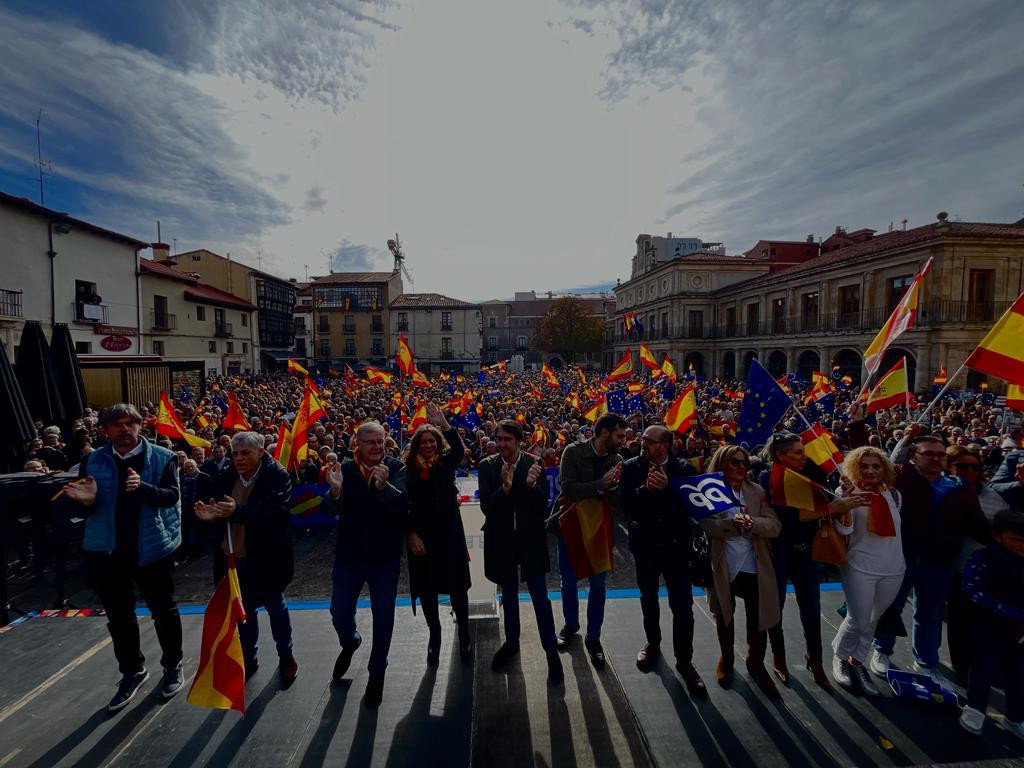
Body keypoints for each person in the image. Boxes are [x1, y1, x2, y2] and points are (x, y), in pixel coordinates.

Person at [61, 403, 184, 712]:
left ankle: (172, 665)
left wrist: (143, 488)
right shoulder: (92, 460)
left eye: (131, 423)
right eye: (117, 424)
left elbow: (171, 496)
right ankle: (132, 671)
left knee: (164, 611)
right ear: (105, 429)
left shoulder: (163, 457)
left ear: (141, 425)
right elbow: (84, 505)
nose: (125, 429)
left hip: (151, 547)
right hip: (107, 550)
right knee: (119, 617)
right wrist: (86, 502)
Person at [870, 432, 988, 688]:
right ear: (913, 456)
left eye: (941, 455)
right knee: (891, 606)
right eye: (928, 453)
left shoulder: (960, 486)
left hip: (940, 561)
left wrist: (1002, 539)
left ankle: (925, 662)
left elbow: (976, 523)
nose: (936, 459)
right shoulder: (900, 476)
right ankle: (882, 649)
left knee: (930, 614)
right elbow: (874, 460)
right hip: (902, 557)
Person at [760, 431, 860, 691]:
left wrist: (842, 493)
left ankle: (815, 659)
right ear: (779, 455)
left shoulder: (813, 472)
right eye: (797, 452)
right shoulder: (767, 477)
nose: (803, 456)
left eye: (803, 450)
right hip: (779, 550)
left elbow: (829, 498)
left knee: (811, 608)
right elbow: (786, 516)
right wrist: (829, 509)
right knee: (776, 607)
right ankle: (778, 657)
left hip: (807, 550)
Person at [196, 432, 297, 686]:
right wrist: (212, 518)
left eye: (245, 453)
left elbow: (277, 514)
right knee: (244, 612)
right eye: (235, 453)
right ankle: (249, 658)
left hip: (267, 558)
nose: (239, 458)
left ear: (260, 452)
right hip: (233, 557)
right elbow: (220, 511)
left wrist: (238, 512)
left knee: (276, 607)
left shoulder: (277, 476)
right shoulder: (225, 476)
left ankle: (286, 654)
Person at [324, 421, 408, 708]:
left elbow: (403, 504)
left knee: (383, 616)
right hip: (349, 556)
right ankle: (350, 642)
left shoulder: (396, 468)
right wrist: (335, 493)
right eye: (370, 442)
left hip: (384, 558)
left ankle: (377, 673)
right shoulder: (344, 471)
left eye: (380, 441)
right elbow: (330, 509)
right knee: (339, 612)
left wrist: (384, 487)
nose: (376, 447)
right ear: (356, 445)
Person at [620, 424, 706, 698]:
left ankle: (685, 661)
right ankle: (652, 643)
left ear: (665, 446)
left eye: (650, 441)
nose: (643, 443)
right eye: (643, 439)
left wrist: (668, 489)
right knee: (648, 598)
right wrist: (646, 490)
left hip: (676, 549)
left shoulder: (685, 469)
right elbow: (622, 505)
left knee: (683, 607)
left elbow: (694, 507)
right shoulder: (631, 467)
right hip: (644, 547)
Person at [479, 419, 562, 684]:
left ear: (519, 441)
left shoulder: (534, 465)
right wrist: (505, 488)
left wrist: (527, 484)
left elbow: (542, 506)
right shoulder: (487, 466)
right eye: (499, 438)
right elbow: (487, 509)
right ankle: (511, 642)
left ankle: (551, 652)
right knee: (509, 596)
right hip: (502, 542)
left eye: (507, 439)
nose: (502, 444)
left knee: (541, 598)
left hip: (530, 542)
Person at [701, 444, 782, 697]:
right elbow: (706, 525)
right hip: (723, 562)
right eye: (735, 462)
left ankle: (755, 663)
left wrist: (752, 522)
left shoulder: (756, 491)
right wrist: (731, 524)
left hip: (754, 562)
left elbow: (774, 525)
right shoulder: (709, 489)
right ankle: (727, 658)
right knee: (724, 614)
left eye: (744, 463)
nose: (740, 467)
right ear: (722, 462)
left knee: (758, 617)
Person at [553, 412, 627, 669]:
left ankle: (593, 637)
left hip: (598, 529)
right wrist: (600, 484)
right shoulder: (572, 453)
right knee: (568, 580)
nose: (623, 441)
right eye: (620, 436)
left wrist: (615, 487)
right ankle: (571, 623)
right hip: (571, 525)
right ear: (604, 433)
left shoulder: (617, 458)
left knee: (598, 585)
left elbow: (617, 502)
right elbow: (568, 488)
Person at [403, 402, 472, 665]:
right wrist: (410, 533)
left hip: (449, 533)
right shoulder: (407, 470)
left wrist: (445, 424)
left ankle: (464, 631)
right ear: (416, 446)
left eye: (433, 441)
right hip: (422, 537)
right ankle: (435, 634)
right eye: (424, 442)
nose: (429, 446)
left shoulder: (446, 464)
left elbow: (458, 452)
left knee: (457, 586)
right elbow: (403, 506)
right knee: (426, 588)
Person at [830, 447, 902, 696]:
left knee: (873, 620)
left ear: (885, 469)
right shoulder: (845, 491)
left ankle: (857, 662)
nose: (870, 470)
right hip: (859, 566)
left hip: (893, 568)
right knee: (858, 619)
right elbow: (844, 532)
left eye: (876, 466)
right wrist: (846, 505)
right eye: (864, 466)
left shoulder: (893, 494)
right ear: (853, 468)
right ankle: (839, 657)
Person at [959, 508, 1024, 739]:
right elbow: (971, 590)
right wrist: (1007, 610)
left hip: (1019, 633)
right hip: (990, 626)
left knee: (1018, 674)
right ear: (998, 536)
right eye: (1016, 540)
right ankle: (976, 709)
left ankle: (1015, 717)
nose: (1022, 545)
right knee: (983, 670)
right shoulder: (985, 558)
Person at [946, 445, 1005, 680]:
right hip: (947, 564)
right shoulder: (940, 489)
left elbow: (1001, 529)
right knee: (955, 620)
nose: (969, 471)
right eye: (962, 466)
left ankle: (980, 664)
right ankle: (960, 667)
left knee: (980, 620)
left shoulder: (993, 496)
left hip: (981, 568)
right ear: (948, 466)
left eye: (974, 466)